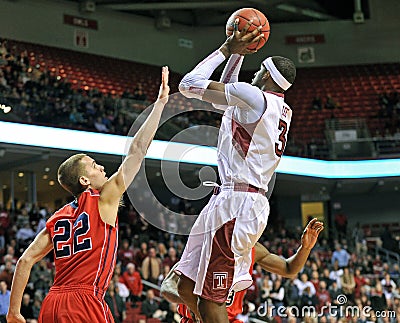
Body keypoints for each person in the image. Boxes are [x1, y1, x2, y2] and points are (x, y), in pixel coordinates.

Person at [6, 66, 170, 323]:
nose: (102, 167)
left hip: (52, 303)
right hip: (85, 301)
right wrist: (160, 105)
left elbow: (25, 260)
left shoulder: (57, 217)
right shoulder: (104, 198)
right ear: (84, 180)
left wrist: (14, 312)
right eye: (94, 166)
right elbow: (137, 150)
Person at [175, 19, 296, 323]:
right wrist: (240, 54)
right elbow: (228, 95)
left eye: (258, 70)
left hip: (239, 203)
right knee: (185, 286)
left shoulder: (254, 97)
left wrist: (226, 49)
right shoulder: (276, 106)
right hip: (232, 198)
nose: (252, 73)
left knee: (212, 298)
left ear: (266, 74)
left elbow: (188, 84)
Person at [162, 218, 324, 323]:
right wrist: (197, 308)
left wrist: (305, 248)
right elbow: (167, 287)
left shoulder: (253, 250)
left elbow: (289, 269)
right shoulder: (205, 248)